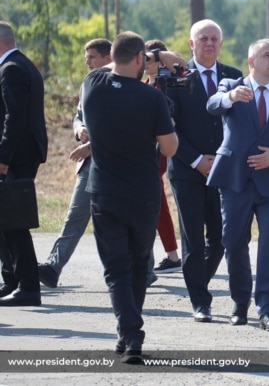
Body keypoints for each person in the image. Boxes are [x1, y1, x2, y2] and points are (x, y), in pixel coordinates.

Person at [81, 31, 178, 363]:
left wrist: (139, 58)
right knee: (138, 266)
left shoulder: (92, 84)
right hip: (143, 193)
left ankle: (129, 333)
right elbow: (169, 148)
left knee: (116, 269)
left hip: (105, 192)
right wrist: (159, 59)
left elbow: (111, 66)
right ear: (141, 59)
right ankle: (131, 333)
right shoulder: (153, 99)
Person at [206, 39, 269, 331]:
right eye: (267, 56)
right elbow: (212, 105)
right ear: (251, 62)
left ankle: (267, 309)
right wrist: (230, 98)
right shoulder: (230, 86)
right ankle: (240, 304)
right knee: (234, 242)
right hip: (235, 180)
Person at [166, 19, 242, 323]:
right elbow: (167, 128)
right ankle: (201, 301)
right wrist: (197, 160)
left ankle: (197, 282)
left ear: (220, 44)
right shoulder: (175, 77)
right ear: (191, 44)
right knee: (193, 238)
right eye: (203, 39)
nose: (209, 43)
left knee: (222, 238)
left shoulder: (234, 77)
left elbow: (239, 124)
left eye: (214, 39)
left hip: (223, 170)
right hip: (187, 170)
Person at [37, 38, 112, 289]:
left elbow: (122, 125)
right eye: (86, 58)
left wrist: (92, 146)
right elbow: (79, 116)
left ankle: (144, 272)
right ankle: (52, 267)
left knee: (119, 222)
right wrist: (79, 130)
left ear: (108, 56)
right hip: (89, 166)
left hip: (115, 166)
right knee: (75, 217)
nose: (87, 62)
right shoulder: (87, 83)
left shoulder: (121, 84)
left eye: (91, 57)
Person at [0, 21, 48, 307]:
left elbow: (13, 118)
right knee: (6, 220)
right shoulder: (20, 64)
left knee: (13, 221)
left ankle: (28, 286)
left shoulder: (12, 69)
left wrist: (2, 159)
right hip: (20, 153)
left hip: (15, 156)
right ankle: (15, 280)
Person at [143, 39, 181, 275]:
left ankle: (172, 254)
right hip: (144, 150)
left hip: (163, 148)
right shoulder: (142, 84)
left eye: (150, 60)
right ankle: (172, 254)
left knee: (156, 200)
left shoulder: (170, 84)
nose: (146, 64)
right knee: (157, 201)